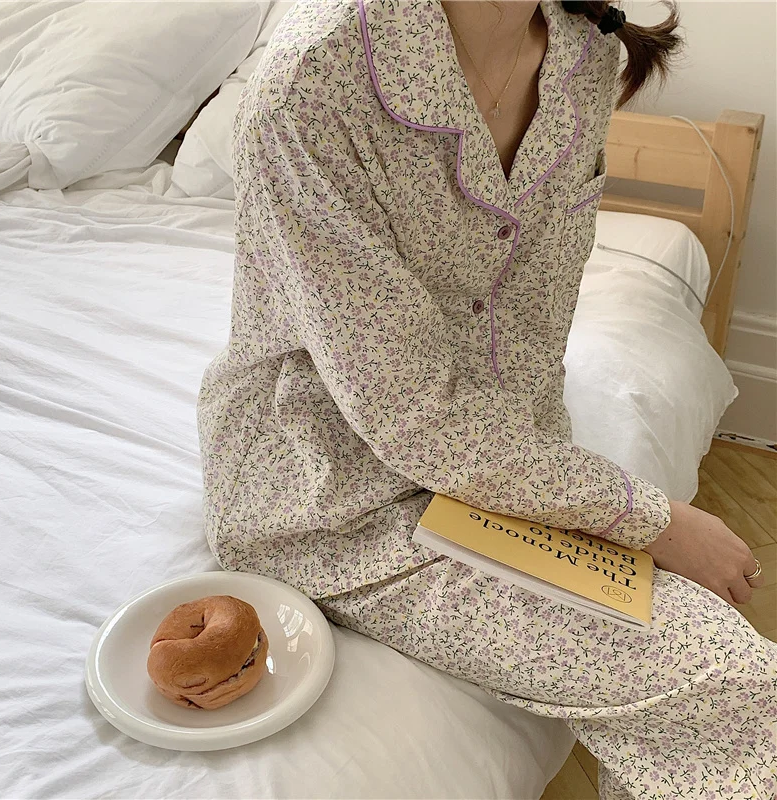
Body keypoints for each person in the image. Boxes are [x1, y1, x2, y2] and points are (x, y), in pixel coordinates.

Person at [197, 0, 776, 796]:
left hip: (498, 452)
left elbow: (535, 321)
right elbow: (408, 411)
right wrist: (651, 519)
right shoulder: (315, 79)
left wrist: (557, 495)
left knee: (721, 681)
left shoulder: (584, 57)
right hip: (331, 490)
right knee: (734, 687)